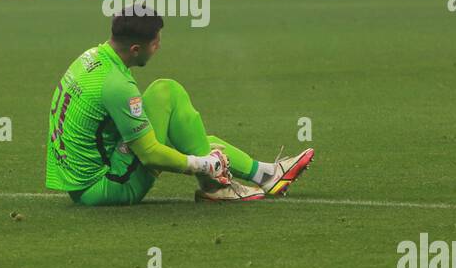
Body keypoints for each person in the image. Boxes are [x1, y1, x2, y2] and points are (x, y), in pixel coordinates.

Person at [45, 12, 315, 206]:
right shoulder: (117, 85)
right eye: (155, 42)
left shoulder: (91, 57)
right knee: (171, 102)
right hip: (107, 187)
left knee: (170, 98)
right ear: (136, 48)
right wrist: (203, 164)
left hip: (80, 178)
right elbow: (149, 155)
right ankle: (218, 184)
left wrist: (203, 158)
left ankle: (265, 175)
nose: (159, 46)